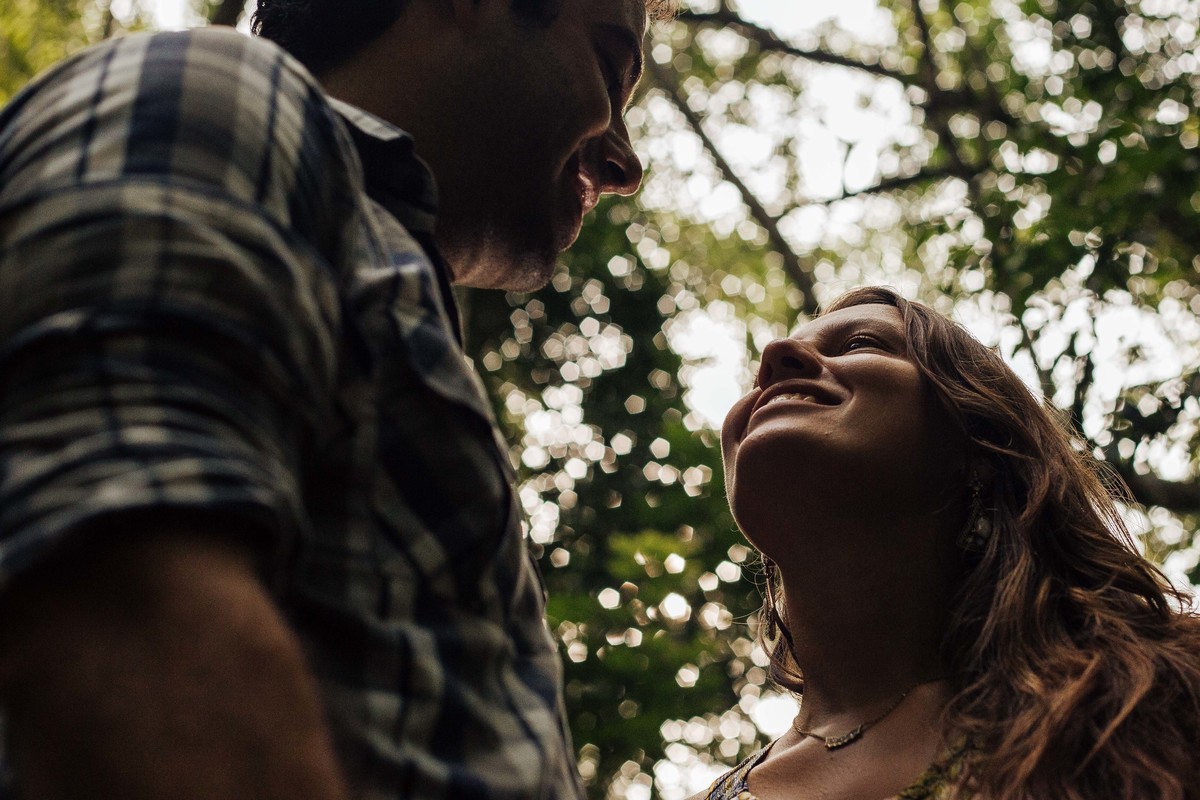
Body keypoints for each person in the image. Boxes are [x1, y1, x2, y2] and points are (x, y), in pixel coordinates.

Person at [0, 0, 673, 798]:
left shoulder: (382, 296)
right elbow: (117, 598)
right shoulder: (214, 92)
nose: (626, 165)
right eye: (609, 64)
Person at [704, 286, 1200, 800]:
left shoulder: (1168, 693)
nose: (774, 356)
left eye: (859, 343)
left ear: (978, 446)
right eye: (757, 380)